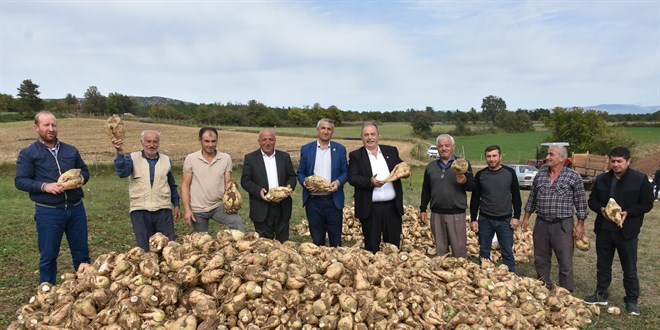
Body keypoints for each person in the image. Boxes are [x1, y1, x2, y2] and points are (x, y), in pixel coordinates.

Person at [15, 111, 91, 284]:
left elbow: (85, 171)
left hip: (76, 209)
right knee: (48, 256)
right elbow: (20, 181)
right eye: (46, 125)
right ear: (37, 127)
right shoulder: (29, 153)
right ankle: (47, 293)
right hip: (49, 211)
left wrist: (81, 179)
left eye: (54, 125)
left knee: (82, 253)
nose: (51, 129)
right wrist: (45, 186)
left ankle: (87, 289)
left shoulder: (70, 150)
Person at [583, 147, 654, 316]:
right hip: (604, 231)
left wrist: (628, 212)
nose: (615, 164)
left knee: (629, 267)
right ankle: (601, 294)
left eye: (619, 161)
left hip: (627, 232)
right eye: (613, 161)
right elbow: (592, 200)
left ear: (628, 161)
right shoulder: (602, 179)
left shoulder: (640, 179)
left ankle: (631, 300)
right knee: (603, 265)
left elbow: (647, 203)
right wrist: (601, 209)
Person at [522, 145, 587, 292]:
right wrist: (526, 218)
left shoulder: (573, 176)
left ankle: (565, 292)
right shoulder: (540, 174)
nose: (547, 157)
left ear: (562, 158)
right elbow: (532, 198)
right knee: (540, 259)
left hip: (562, 225)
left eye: (551, 154)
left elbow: (581, 203)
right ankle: (543, 288)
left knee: (565, 261)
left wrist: (580, 225)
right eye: (547, 154)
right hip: (541, 223)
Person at [111, 130, 181, 251]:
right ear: (142, 142)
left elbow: (171, 184)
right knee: (145, 247)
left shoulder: (166, 160)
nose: (151, 145)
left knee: (168, 247)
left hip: (163, 209)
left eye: (155, 142)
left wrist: (176, 204)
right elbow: (122, 173)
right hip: (140, 209)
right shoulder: (132, 158)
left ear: (159, 143)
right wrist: (120, 153)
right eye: (148, 141)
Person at [348, 122, 404, 253]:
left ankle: (394, 271)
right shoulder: (356, 155)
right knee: (372, 247)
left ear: (378, 135)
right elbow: (352, 178)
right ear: (361, 137)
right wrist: (369, 181)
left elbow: (402, 168)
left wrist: (404, 172)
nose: (370, 137)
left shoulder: (391, 151)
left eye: (373, 134)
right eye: (366, 135)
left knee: (393, 246)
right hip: (370, 209)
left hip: (392, 208)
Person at [419, 133, 475, 257]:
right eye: (441, 146)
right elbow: (426, 189)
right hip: (437, 213)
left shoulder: (463, 164)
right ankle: (443, 273)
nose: (444, 148)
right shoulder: (430, 167)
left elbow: (472, 186)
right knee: (441, 250)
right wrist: (423, 209)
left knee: (459, 249)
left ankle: (460, 272)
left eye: (447, 145)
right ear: (437, 148)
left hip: (456, 213)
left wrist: (465, 181)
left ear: (453, 147)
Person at [181, 127, 245, 233]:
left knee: (237, 222)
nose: (210, 145)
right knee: (202, 241)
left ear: (217, 140)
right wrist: (187, 209)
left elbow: (228, 183)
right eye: (206, 141)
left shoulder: (225, 158)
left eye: (213, 141)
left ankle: (244, 247)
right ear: (200, 140)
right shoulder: (191, 158)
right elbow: (185, 185)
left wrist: (232, 204)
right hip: (198, 209)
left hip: (218, 206)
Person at [297, 118, 348, 247]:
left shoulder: (340, 149)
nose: (326, 131)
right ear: (318, 130)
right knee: (317, 240)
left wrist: (338, 182)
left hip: (333, 201)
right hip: (314, 201)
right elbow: (300, 172)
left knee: (335, 240)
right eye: (323, 128)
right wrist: (305, 184)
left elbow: (345, 172)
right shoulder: (306, 149)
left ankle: (335, 263)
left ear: (332, 131)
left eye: (329, 129)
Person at [469, 145, 521, 272]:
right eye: (489, 156)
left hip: (505, 220)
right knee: (484, 251)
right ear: (486, 158)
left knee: (507, 251)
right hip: (485, 219)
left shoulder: (509, 173)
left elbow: (516, 196)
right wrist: (473, 219)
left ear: (500, 156)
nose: (491, 159)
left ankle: (511, 277)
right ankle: (483, 276)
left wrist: (516, 217)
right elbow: (475, 198)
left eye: (494, 156)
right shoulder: (481, 175)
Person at [241, 128, 297, 242]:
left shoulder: (284, 157)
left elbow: (291, 176)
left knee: (283, 243)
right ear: (259, 141)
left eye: (271, 139)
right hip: (261, 207)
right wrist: (258, 191)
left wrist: (289, 186)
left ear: (275, 140)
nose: (268, 142)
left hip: (282, 206)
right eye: (264, 140)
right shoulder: (250, 158)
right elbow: (245, 181)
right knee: (264, 244)